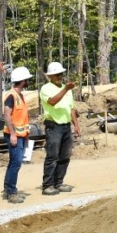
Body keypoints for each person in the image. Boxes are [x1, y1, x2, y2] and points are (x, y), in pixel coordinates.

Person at [39, 62, 81, 195]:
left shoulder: (66, 89)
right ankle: (48, 185)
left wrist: (76, 124)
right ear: (50, 76)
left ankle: (59, 182)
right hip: (54, 126)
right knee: (52, 156)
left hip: (65, 126)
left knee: (65, 156)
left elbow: (71, 108)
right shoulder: (46, 88)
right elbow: (52, 101)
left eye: (60, 74)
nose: (59, 77)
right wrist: (65, 90)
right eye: (56, 74)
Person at [1, 66, 34, 203]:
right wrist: (13, 134)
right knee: (16, 163)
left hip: (21, 135)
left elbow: (22, 118)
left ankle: (8, 189)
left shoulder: (20, 95)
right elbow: (7, 115)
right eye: (27, 79)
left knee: (14, 162)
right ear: (22, 81)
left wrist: (25, 135)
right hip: (13, 135)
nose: (28, 81)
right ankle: (11, 192)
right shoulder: (12, 95)